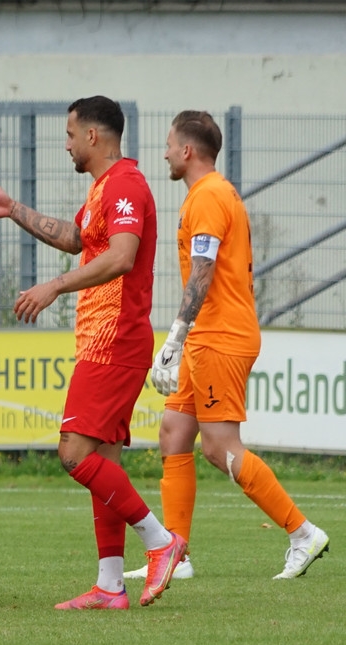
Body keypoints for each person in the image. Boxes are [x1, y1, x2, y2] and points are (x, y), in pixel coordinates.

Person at [0, 96, 185, 610]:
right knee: (102, 461)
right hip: (102, 338)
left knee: (74, 454)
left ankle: (160, 541)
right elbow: (76, 238)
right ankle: (110, 586)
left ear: (92, 135)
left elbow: (122, 256)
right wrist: (13, 209)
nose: (65, 144)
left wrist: (54, 286)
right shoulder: (104, 187)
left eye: (69, 134)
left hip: (115, 339)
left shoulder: (126, 184)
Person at [123, 110, 329, 582]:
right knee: (174, 433)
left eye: (169, 145)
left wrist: (175, 334)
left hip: (220, 337)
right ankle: (176, 556)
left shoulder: (209, 195)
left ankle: (302, 533)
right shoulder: (211, 192)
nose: (165, 153)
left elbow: (204, 268)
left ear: (187, 150)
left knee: (219, 448)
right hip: (209, 335)